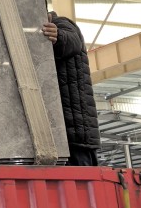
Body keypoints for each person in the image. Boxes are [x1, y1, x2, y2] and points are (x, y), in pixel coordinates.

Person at [41, 10, 100, 166]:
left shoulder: (62, 23)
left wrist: (59, 36)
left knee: (80, 177)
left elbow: (72, 41)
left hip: (75, 135)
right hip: (59, 135)